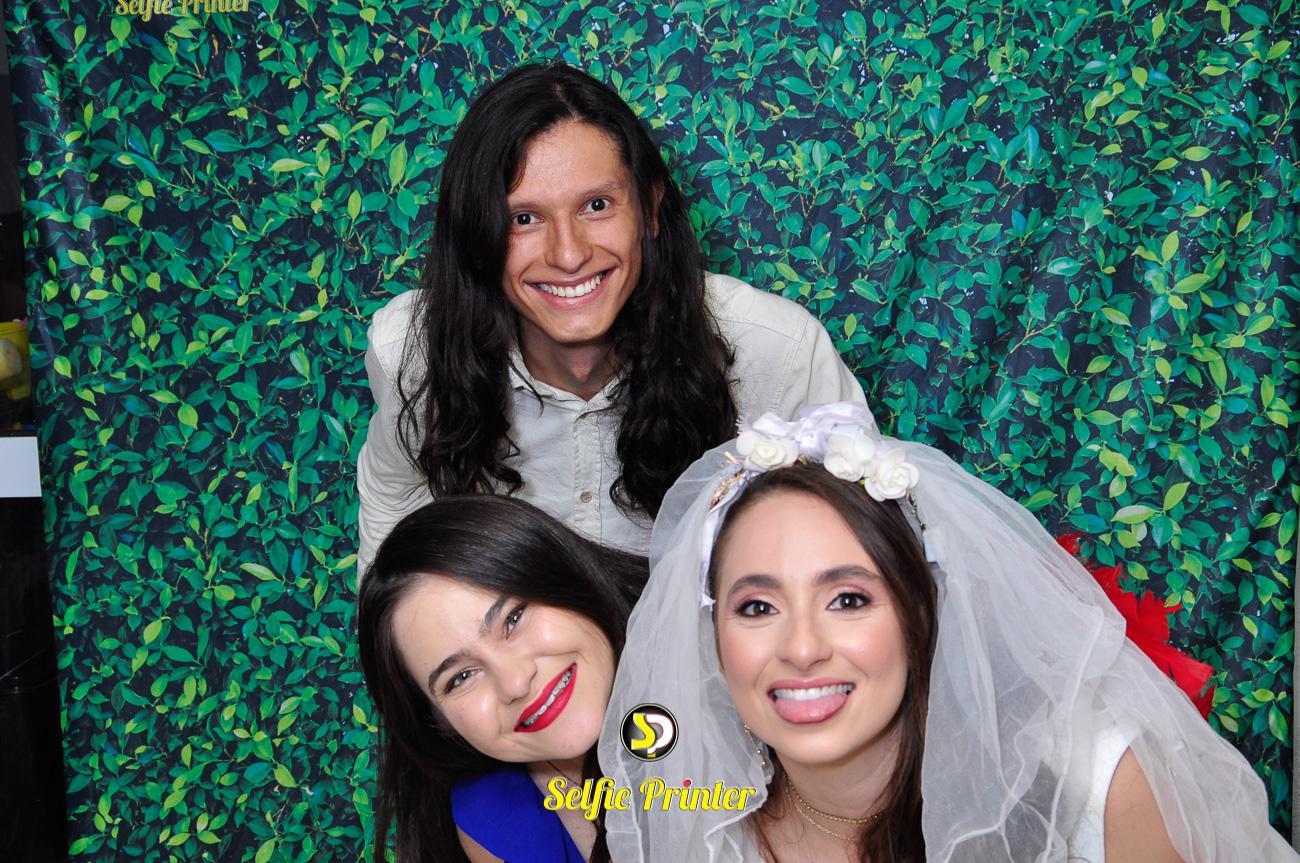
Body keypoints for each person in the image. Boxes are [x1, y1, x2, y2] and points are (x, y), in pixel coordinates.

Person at [600, 403, 1298, 862]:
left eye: (848, 599)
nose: (803, 648)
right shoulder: (703, 828)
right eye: (757, 608)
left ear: (920, 612)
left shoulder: (1098, 788)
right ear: (712, 635)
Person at [356, 62, 865, 575]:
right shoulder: (411, 351)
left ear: (649, 209)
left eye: (596, 205)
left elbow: (866, 545)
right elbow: (393, 497)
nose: (569, 254)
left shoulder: (779, 352)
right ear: (475, 233)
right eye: (523, 219)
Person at [358, 495, 647, 863]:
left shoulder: (711, 658)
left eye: (513, 618)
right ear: (439, 722)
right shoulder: (492, 821)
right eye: (461, 677)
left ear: (570, 576)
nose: (515, 682)